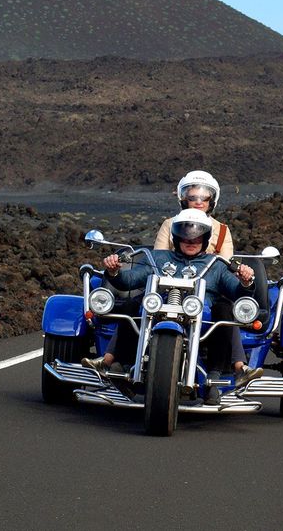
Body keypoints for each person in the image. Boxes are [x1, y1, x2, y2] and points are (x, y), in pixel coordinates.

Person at [83, 209, 262, 400]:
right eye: (185, 237)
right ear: (176, 238)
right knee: (132, 305)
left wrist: (246, 281)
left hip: (202, 320)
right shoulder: (158, 258)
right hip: (156, 313)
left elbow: (237, 291)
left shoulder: (216, 264)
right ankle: (117, 365)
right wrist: (113, 272)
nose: (190, 242)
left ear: (205, 238)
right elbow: (129, 281)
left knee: (225, 309)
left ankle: (218, 376)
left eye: (196, 238)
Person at [153, 170, 233, 257]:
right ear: (184, 200)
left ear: (212, 201)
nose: (199, 202)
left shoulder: (222, 230)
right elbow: (158, 259)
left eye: (205, 198)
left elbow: (226, 265)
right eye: (192, 198)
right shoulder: (169, 224)